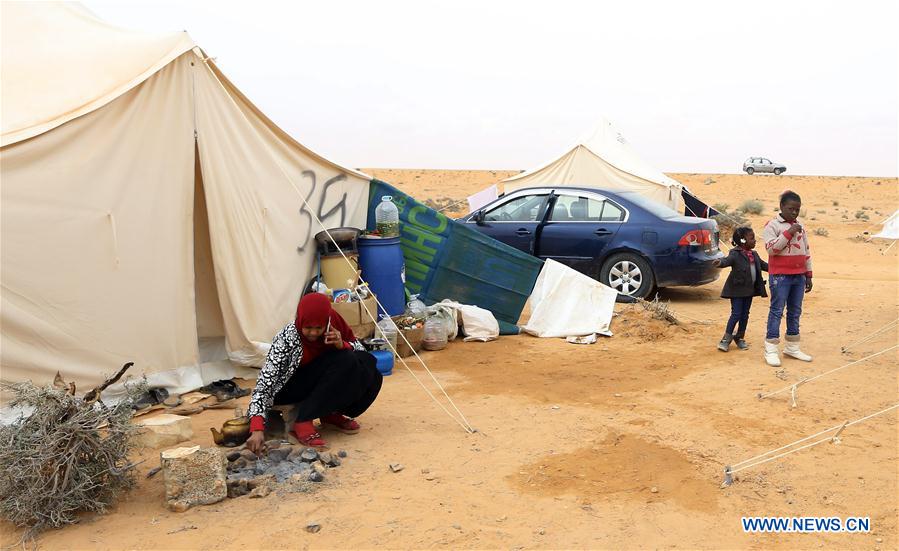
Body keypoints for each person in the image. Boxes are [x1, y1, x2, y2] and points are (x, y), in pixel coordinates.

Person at [245, 293, 382, 454]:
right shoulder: (287, 337)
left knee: (370, 367)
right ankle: (301, 420)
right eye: (308, 327)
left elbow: (360, 352)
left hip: (318, 379)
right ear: (300, 320)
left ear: (326, 322)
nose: (313, 333)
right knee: (346, 359)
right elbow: (264, 384)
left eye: (318, 328)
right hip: (288, 388)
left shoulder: (334, 322)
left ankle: (331, 413)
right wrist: (256, 428)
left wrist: (341, 343)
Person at [761, 190, 814, 367]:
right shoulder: (772, 225)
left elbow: (806, 251)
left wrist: (808, 274)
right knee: (777, 310)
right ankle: (771, 349)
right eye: (791, 208)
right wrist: (789, 232)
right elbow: (771, 249)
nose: (794, 213)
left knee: (795, 311)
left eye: (797, 209)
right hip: (780, 277)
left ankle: (792, 346)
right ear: (782, 207)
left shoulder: (801, 226)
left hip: (798, 276)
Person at [713, 227, 768, 352]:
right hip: (737, 290)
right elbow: (727, 261)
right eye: (752, 238)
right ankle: (726, 339)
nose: (755, 241)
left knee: (745, 315)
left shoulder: (754, 254)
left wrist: (776, 268)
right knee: (736, 314)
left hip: (749, 291)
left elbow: (763, 265)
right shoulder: (735, 253)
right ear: (743, 240)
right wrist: (719, 262)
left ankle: (739, 337)